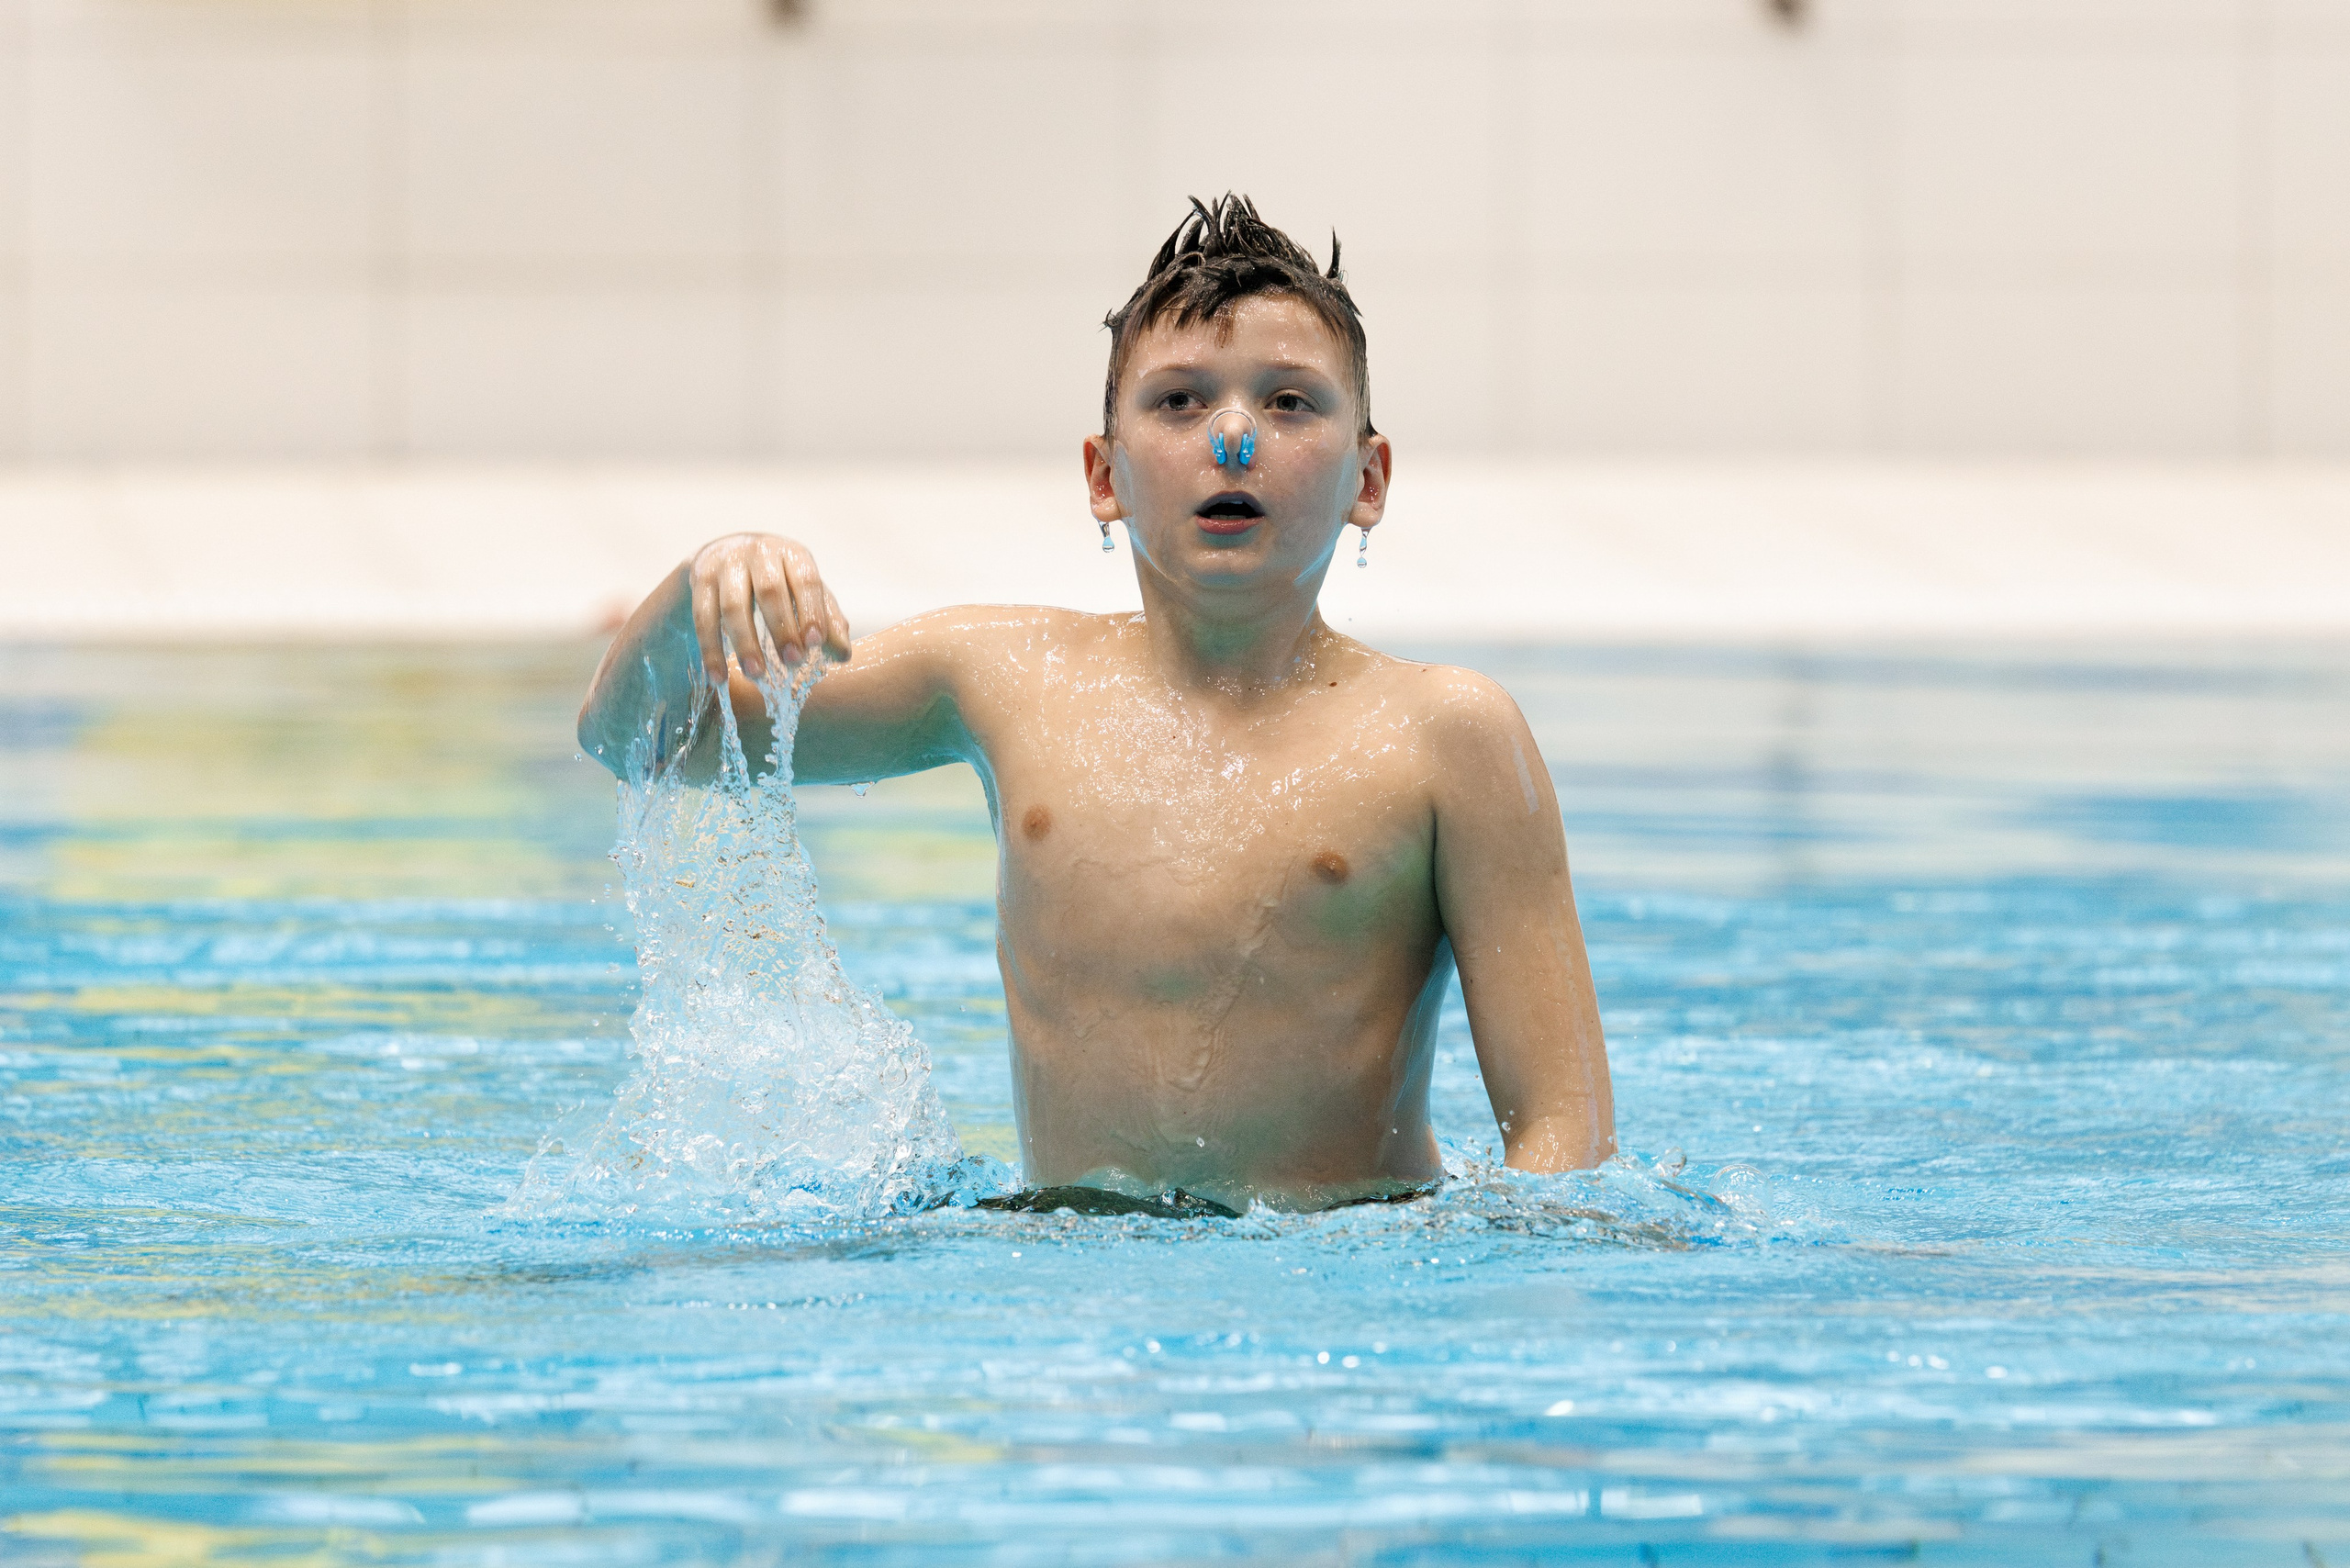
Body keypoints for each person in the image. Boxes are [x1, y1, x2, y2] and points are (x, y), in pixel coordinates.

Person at [578, 195, 1614, 1213]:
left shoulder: (1446, 737)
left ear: (1369, 477)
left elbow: (1562, 1132)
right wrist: (694, 588)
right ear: (1102, 473)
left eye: (1290, 401)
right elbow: (636, 742)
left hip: (1344, 1275)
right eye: (1179, 401)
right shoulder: (1001, 677)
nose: (1235, 437)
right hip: (1067, 1280)